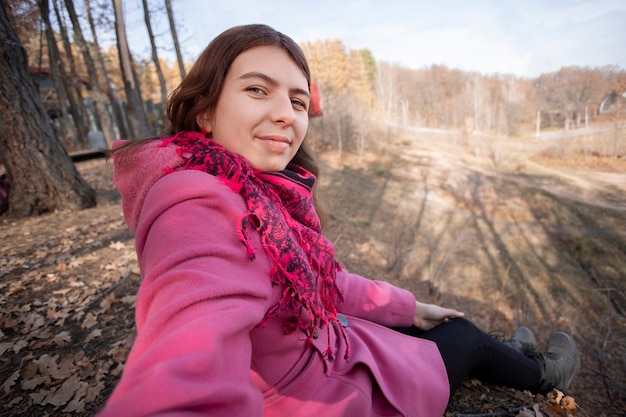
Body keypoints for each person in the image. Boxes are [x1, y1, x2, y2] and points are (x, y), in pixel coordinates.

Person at [98, 24, 579, 417]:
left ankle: (513, 353)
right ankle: (541, 374)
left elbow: (322, 282)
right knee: (465, 336)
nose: (285, 114)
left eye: (297, 101)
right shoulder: (196, 202)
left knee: (428, 323)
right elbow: (191, 343)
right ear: (204, 109)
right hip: (324, 396)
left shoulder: (248, 187)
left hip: (319, 347)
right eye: (257, 90)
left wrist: (411, 307)